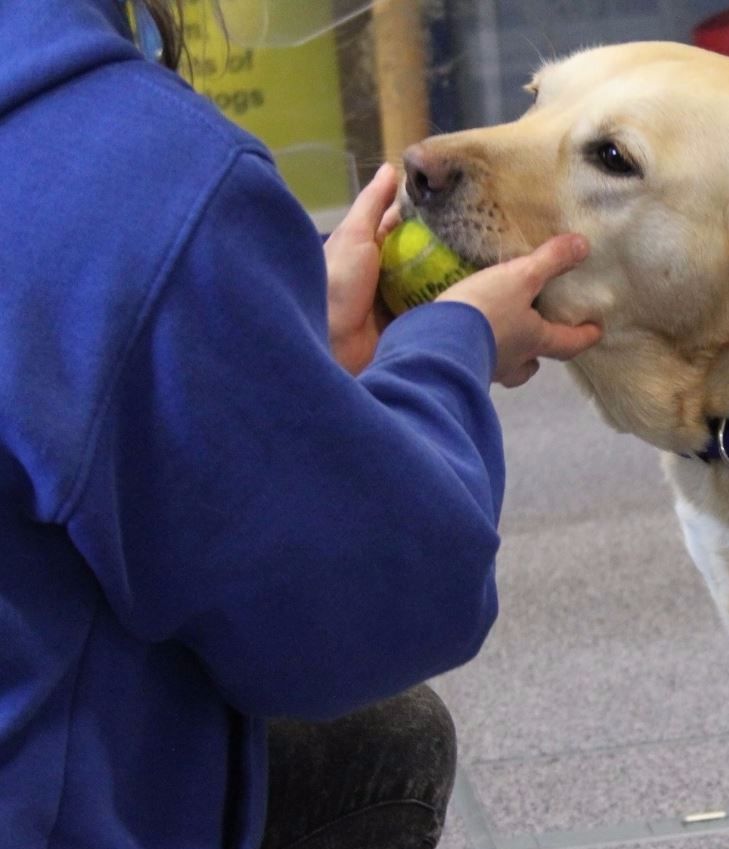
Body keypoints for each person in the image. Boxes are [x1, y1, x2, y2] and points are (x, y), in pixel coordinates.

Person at [0, 1, 602, 848]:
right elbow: (371, 608)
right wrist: (448, 348)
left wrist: (281, 353)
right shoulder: (131, 169)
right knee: (386, 741)